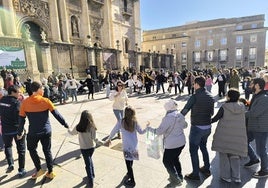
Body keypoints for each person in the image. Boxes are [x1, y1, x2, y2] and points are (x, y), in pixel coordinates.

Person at [17, 81, 69, 179]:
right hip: (46, 131)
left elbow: (21, 119)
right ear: (39, 89)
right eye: (43, 89)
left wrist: (19, 132)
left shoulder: (25, 103)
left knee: (32, 149)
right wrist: (65, 124)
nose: (44, 90)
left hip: (33, 132)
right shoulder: (46, 101)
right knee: (47, 150)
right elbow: (56, 114)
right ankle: (50, 171)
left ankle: (39, 169)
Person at [181, 76, 214, 180]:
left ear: (197, 85)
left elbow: (185, 110)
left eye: (194, 83)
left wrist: (176, 117)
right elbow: (212, 113)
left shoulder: (194, 96)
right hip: (208, 127)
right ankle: (207, 168)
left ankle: (195, 174)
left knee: (193, 150)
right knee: (203, 147)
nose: (193, 85)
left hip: (197, 127)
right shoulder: (210, 96)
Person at [147, 99, 187, 186]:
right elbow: (185, 126)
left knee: (166, 161)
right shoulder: (180, 115)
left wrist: (149, 128)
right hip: (182, 142)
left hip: (172, 145)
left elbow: (159, 131)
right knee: (175, 158)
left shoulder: (168, 117)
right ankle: (180, 175)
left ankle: (176, 178)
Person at [105, 106, 148, 187]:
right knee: (131, 161)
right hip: (134, 145)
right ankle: (129, 173)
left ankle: (132, 181)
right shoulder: (135, 122)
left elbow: (114, 130)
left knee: (128, 165)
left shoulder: (121, 121)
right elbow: (141, 132)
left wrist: (109, 138)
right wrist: (147, 127)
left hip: (126, 146)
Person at [211, 88, 247, 183]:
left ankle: (226, 176)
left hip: (224, 135)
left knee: (223, 155)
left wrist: (206, 120)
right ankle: (237, 177)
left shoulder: (224, 107)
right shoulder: (242, 106)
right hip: (238, 135)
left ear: (229, 96)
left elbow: (215, 119)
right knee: (235, 156)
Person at [68, 110, 102, 188]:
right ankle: (92, 174)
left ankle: (90, 180)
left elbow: (72, 133)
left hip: (84, 148)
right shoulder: (92, 127)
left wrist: (68, 128)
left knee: (87, 164)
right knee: (89, 161)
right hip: (91, 147)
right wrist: (103, 143)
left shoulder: (78, 126)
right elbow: (96, 139)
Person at [0, 85, 26, 177]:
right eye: (18, 92)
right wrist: (21, 130)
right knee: (21, 150)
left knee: (7, 146)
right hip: (15, 129)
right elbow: (20, 118)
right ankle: (21, 169)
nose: (20, 94)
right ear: (13, 92)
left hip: (6, 130)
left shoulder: (2, 100)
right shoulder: (16, 103)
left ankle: (10, 163)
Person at [245, 78, 268, 178]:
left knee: (261, 150)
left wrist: (240, 113)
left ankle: (265, 170)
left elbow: (254, 113)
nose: (250, 86)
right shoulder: (256, 95)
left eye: (251, 84)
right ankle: (254, 159)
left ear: (257, 85)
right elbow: (252, 109)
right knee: (244, 141)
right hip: (253, 126)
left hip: (260, 128)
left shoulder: (264, 98)